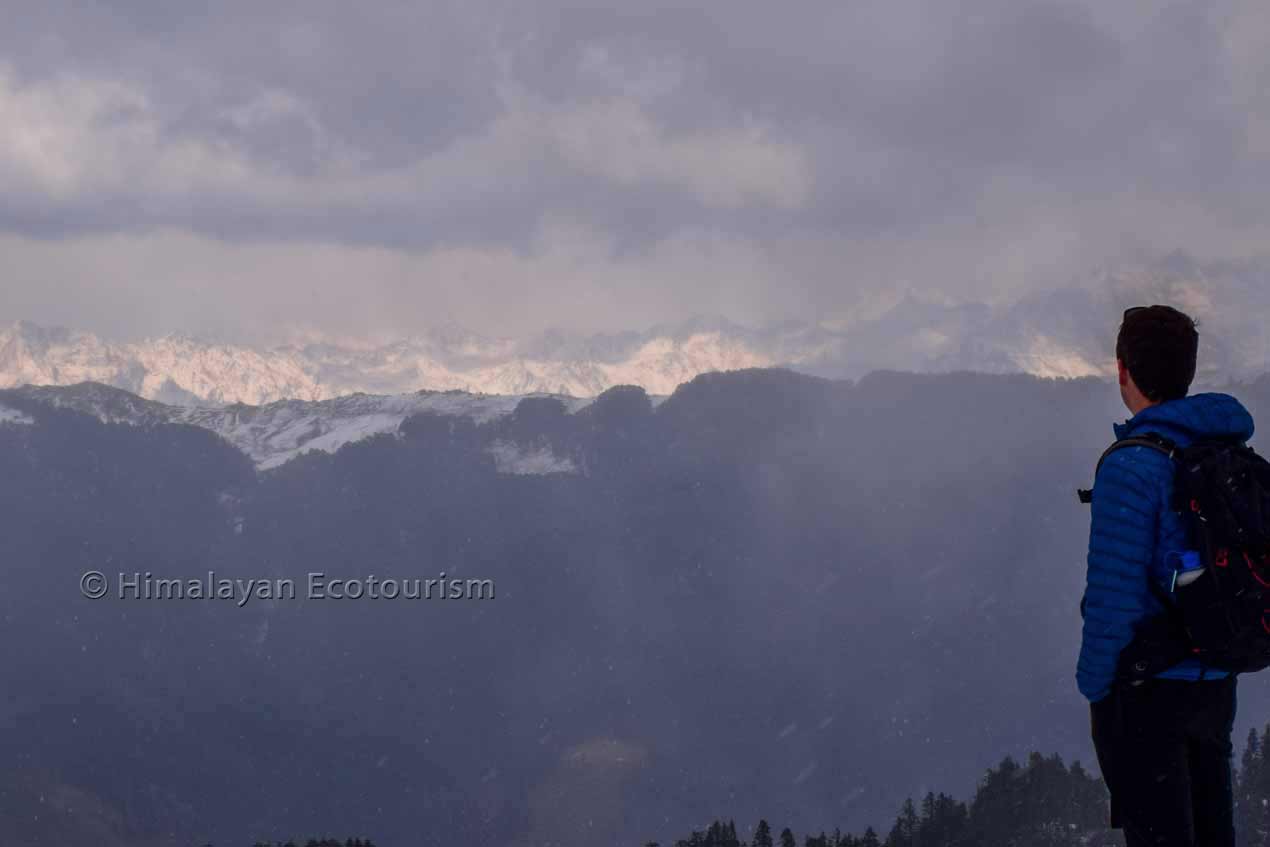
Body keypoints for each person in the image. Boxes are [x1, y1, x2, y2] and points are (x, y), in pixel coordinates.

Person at [1079, 304, 1254, 846]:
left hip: (1146, 692)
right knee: (1210, 831)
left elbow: (1115, 598)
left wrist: (1095, 687)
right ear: (1189, 370)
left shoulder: (1132, 463)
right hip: (1215, 677)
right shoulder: (1222, 447)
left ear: (1122, 370)